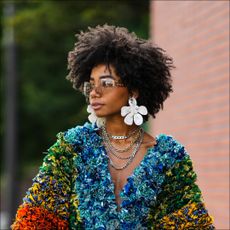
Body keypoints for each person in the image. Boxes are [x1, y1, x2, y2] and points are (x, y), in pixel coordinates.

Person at [12, 25, 214, 229]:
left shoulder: (168, 156)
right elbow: (34, 220)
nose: (94, 92)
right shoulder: (72, 147)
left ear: (133, 90)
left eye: (106, 83)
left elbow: (190, 224)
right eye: (91, 83)